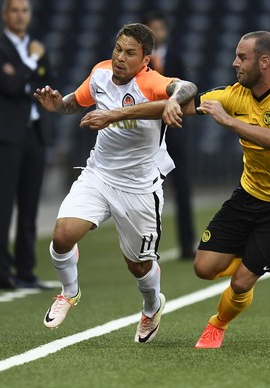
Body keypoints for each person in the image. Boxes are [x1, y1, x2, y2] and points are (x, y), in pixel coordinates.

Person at [80, 31, 270, 349]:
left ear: (265, 62)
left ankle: (217, 325)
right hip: (249, 194)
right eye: (235, 55)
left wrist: (229, 122)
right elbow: (179, 103)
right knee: (203, 269)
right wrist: (116, 114)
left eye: (242, 57)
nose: (235, 63)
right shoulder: (233, 95)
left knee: (243, 280)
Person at [34, 23, 197, 343]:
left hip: (138, 188)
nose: (120, 57)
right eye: (117, 49)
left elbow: (186, 86)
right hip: (99, 175)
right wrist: (59, 106)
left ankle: (152, 307)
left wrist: (175, 100)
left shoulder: (150, 81)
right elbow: (74, 101)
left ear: (146, 60)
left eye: (130, 53)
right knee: (62, 235)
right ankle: (69, 292)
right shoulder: (100, 74)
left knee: (138, 267)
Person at [0, 0, 55, 290]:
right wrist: (31, 66)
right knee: (4, 204)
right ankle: (2, 273)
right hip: (7, 135)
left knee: (29, 205)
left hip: (34, 133)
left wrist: (23, 72)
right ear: (5, 15)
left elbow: (49, 83)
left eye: (24, 10)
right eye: (14, 10)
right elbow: (9, 86)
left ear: (30, 15)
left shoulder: (39, 48)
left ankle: (26, 271)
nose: (20, 15)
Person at [144, 11, 196, 260]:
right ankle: (147, 247)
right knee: (147, 191)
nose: (156, 35)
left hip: (174, 132)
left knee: (183, 187)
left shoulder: (176, 57)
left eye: (159, 30)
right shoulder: (138, 63)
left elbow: (187, 91)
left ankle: (187, 244)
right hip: (147, 134)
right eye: (151, 31)